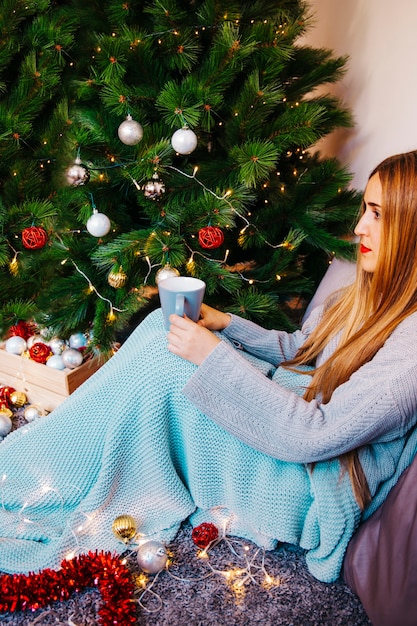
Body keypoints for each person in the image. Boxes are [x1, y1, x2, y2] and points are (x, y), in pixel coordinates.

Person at [1, 150, 417, 583]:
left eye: (378, 215)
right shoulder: (368, 294)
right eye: (365, 209)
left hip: (301, 480)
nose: (359, 227)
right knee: (157, 334)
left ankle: (31, 474)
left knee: (172, 367)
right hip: (290, 414)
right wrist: (227, 325)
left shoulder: (413, 345)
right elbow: (302, 347)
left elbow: (313, 437)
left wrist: (211, 356)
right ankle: (49, 451)